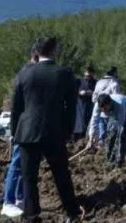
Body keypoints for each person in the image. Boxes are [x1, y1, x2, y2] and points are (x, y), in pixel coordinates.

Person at [10, 36, 82, 222]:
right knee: (61, 174)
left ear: (36, 51)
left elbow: (16, 107)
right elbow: (71, 107)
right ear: (55, 50)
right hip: (54, 131)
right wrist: (68, 131)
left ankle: (32, 215)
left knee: (29, 178)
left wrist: (14, 132)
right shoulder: (64, 73)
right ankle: (72, 213)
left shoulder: (24, 74)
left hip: (27, 131)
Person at [1, 48, 38, 219]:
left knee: (25, 166)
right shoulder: (26, 75)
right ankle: (7, 202)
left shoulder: (27, 74)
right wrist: (14, 132)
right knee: (17, 164)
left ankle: (19, 197)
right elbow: (16, 107)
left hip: (29, 127)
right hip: (23, 129)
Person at [95, 93, 126, 168]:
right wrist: (94, 138)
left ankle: (120, 160)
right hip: (114, 111)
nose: (104, 111)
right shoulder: (98, 106)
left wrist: (113, 132)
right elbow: (95, 120)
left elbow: (120, 126)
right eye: (102, 110)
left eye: (105, 109)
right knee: (111, 135)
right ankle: (109, 160)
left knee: (122, 135)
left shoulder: (120, 105)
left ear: (110, 104)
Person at [88, 67, 121, 147]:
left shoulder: (99, 82)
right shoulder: (114, 83)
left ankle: (102, 144)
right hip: (109, 112)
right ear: (114, 73)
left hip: (101, 111)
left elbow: (93, 98)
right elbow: (116, 99)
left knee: (102, 134)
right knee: (109, 132)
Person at [75, 67, 96, 142]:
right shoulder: (79, 81)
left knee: (89, 121)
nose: (88, 76)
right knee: (80, 121)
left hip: (90, 104)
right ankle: (78, 139)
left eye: (89, 74)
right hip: (80, 103)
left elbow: (97, 92)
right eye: (87, 74)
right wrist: (79, 92)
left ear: (93, 74)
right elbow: (74, 90)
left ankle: (86, 138)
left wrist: (89, 92)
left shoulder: (95, 82)